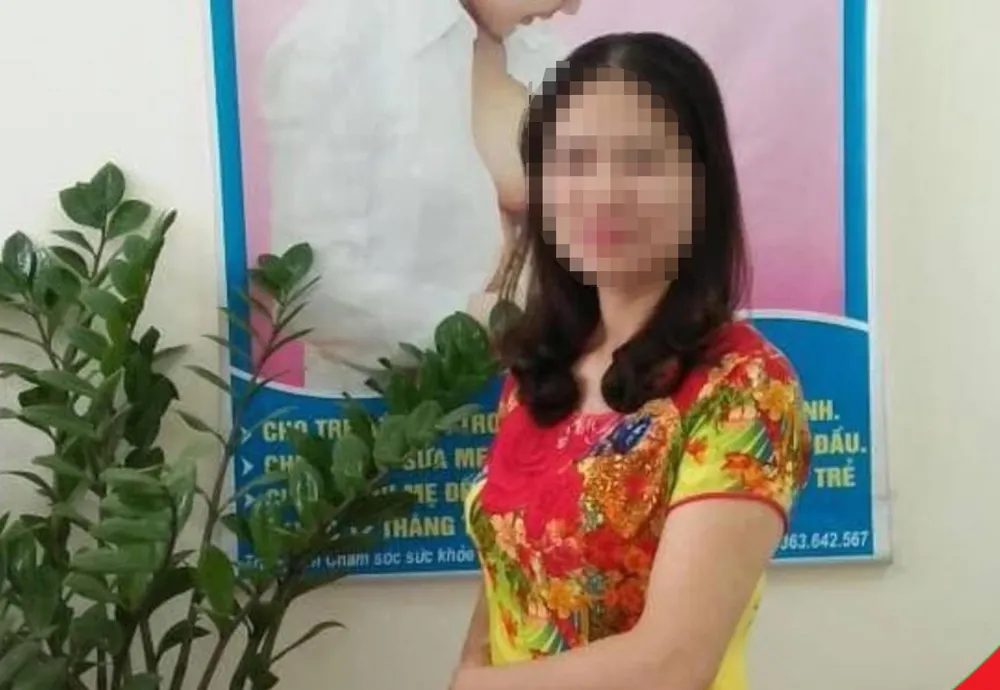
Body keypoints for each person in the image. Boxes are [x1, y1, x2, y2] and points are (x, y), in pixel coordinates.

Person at [453, 32, 811, 690]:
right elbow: (509, 566)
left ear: (703, 183)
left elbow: (671, 665)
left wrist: (475, 688)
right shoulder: (537, 376)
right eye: (574, 161)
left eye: (642, 160)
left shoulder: (743, 386)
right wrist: (470, 666)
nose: (604, 192)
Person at [260, 0, 579, 393]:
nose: (573, 7)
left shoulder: (538, 46)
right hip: (389, 413)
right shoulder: (339, 40)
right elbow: (311, 289)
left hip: (537, 397)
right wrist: (486, 322)